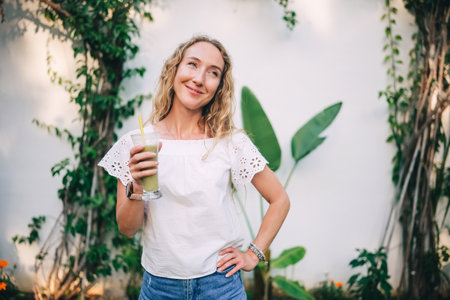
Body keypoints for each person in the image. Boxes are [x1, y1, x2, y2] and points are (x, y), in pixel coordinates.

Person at [99, 35, 290, 300]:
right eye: (192, 64)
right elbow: (127, 229)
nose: (199, 79)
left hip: (221, 286)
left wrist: (253, 254)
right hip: (160, 288)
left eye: (213, 72)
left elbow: (280, 199)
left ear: (219, 86)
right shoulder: (137, 144)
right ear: (174, 69)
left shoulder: (230, 142)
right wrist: (139, 186)